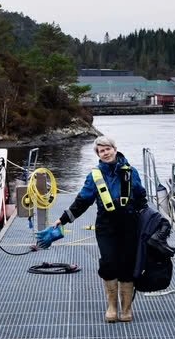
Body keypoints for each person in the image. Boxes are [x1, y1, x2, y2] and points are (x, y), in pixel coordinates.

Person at [54, 135, 147, 323]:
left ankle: (127, 308)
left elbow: (141, 198)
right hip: (106, 225)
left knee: (127, 265)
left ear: (115, 149)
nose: (105, 153)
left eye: (108, 149)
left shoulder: (131, 172)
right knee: (108, 263)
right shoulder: (94, 176)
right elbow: (82, 201)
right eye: (101, 151)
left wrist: (149, 222)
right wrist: (63, 219)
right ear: (98, 154)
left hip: (129, 224)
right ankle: (112, 306)